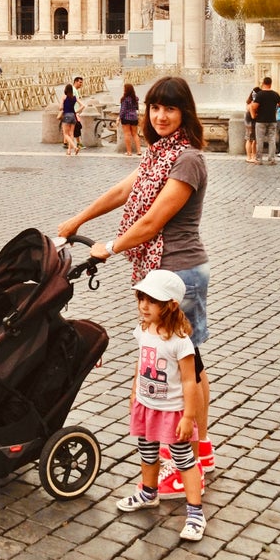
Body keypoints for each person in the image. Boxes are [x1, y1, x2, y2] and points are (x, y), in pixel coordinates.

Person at [57, 75, 216, 496]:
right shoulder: (157, 154)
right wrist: (79, 220)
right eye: (155, 108)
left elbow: (153, 220)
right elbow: (121, 191)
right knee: (179, 365)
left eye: (170, 109)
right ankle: (200, 450)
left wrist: (109, 246)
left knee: (187, 367)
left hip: (179, 274)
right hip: (156, 271)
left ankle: (189, 458)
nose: (160, 116)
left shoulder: (187, 160)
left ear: (185, 113)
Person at [116, 269, 205, 541]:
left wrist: (188, 416)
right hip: (147, 405)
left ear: (171, 305)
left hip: (171, 411)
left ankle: (195, 513)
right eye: (141, 298)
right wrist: (134, 392)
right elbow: (141, 363)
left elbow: (190, 382)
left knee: (183, 459)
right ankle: (148, 492)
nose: (143, 305)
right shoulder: (143, 330)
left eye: (152, 301)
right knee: (147, 452)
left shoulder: (180, 343)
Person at [250, 76, 280, 165]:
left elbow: (254, 106)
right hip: (272, 120)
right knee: (272, 140)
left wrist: (254, 112)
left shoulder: (260, 94)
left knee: (260, 140)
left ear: (263, 83)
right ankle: (272, 159)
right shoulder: (275, 94)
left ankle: (259, 159)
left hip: (261, 120)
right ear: (270, 84)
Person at [60, 84, 83, 156]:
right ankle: (69, 150)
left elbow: (60, 107)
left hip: (66, 115)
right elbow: (83, 105)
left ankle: (75, 147)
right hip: (73, 116)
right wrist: (76, 111)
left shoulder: (64, 97)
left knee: (65, 134)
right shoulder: (74, 98)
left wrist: (63, 107)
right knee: (71, 134)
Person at [119, 83, 141, 156]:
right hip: (134, 117)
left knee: (127, 134)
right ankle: (139, 151)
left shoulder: (124, 99)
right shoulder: (135, 98)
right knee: (135, 134)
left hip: (126, 118)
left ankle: (129, 152)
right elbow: (137, 108)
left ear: (126, 90)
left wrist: (119, 117)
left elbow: (123, 110)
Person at [244, 86, 260, 162]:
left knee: (251, 140)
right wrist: (258, 114)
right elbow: (253, 116)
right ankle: (250, 157)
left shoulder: (249, 101)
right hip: (252, 122)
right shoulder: (253, 102)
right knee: (251, 140)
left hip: (248, 122)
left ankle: (251, 156)